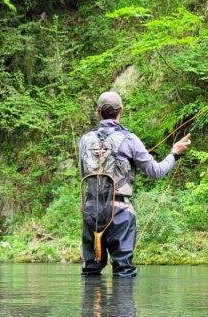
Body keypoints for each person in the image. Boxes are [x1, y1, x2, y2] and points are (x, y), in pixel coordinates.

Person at [78, 91, 191, 277]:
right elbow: (156, 172)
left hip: (91, 212)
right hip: (120, 212)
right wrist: (174, 154)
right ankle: (121, 307)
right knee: (123, 271)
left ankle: (92, 304)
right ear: (120, 111)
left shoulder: (84, 140)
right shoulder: (130, 139)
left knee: (91, 269)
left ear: (98, 112)